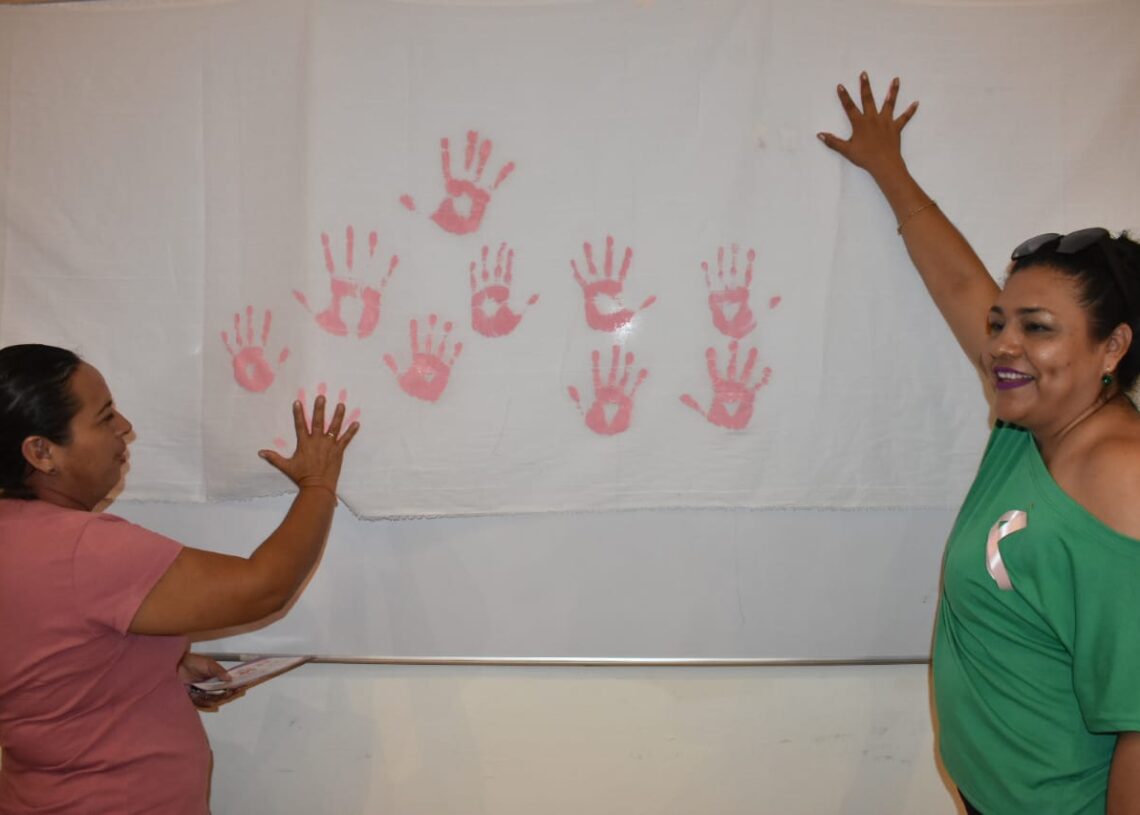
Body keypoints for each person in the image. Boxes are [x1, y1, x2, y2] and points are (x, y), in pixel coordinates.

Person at [817, 73, 1140, 814]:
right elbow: (962, 283)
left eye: (1037, 326)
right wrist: (889, 169)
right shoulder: (1032, 423)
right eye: (1001, 323)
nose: (1002, 345)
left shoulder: (1121, 478)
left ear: (1113, 346)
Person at [0, 344, 359, 814]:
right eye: (105, 418)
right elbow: (263, 588)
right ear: (42, 452)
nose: (125, 427)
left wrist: (150, 666)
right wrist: (317, 486)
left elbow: (45, 662)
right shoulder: (82, 548)